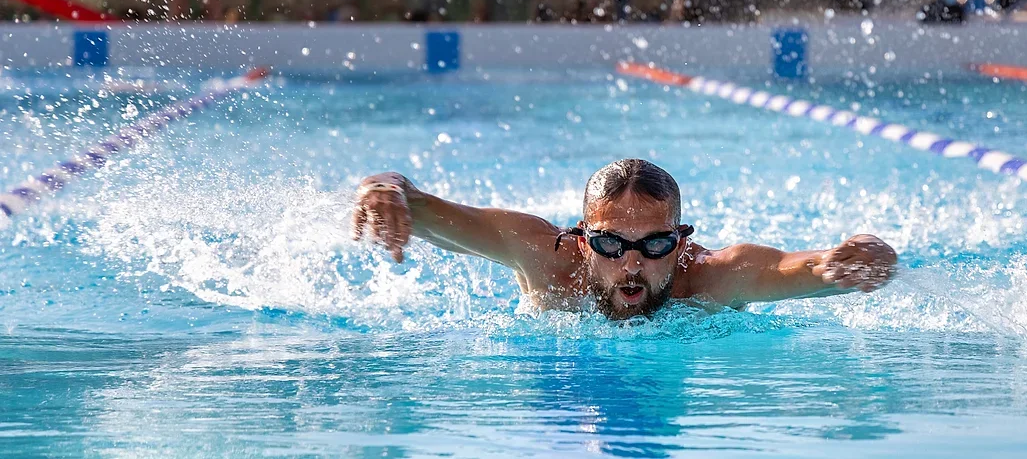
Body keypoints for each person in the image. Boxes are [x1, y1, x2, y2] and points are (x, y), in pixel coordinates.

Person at [353, 158, 898, 320]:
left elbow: (806, 267)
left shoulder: (708, 279)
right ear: (582, 239)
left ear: (680, 242)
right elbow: (414, 201)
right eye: (611, 245)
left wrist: (862, 256)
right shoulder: (544, 258)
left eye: (654, 245)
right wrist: (384, 191)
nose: (632, 266)